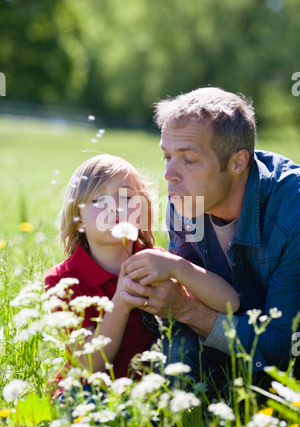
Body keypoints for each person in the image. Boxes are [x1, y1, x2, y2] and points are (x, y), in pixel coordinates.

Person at [121, 87, 300, 384]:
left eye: (188, 160)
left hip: (286, 367)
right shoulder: (186, 199)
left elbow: (283, 347)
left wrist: (189, 310)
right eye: (167, 156)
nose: (170, 174)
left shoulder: (291, 214)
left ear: (237, 162)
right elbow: (183, 297)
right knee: (170, 357)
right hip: (230, 337)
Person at [45, 154, 158, 399]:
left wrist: (182, 269)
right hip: (88, 390)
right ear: (78, 221)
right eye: (98, 199)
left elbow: (227, 301)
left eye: (127, 197)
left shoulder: (155, 263)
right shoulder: (62, 281)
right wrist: (122, 300)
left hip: (146, 392)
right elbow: (89, 366)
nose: (114, 207)